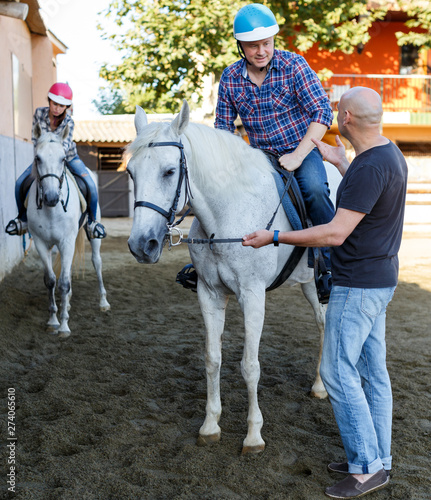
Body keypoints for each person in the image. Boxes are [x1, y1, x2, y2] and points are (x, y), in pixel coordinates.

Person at [242, 86, 408, 499]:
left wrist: (275, 236)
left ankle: (366, 468)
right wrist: (342, 162)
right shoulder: (387, 154)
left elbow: (335, 233)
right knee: (372, 373)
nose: (334, 116)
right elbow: (367, 194)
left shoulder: (369, 168)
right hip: (381, 279)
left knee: (337, 372)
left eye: (337, 111)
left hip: (356, 285)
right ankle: (377, 458)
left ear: (347, 119)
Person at [215, 3, 335, 272]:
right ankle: (210, 258)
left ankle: (330, 265)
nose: (261, 51)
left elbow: (322, 111)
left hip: (300, 149)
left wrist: (298, 155)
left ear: (273, 41)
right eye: (253, 45)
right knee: (223, 194)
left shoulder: (294, 65)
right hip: (258, 156)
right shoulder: (230, 77)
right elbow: (223, 128)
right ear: (240, 46)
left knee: (315, 191)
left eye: (266, 44)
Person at [6, 82, 106, 239]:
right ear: (49, 101)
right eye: (55, 104)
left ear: (66, 107)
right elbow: (35, 138)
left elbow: (64, 146)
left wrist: (54, 154)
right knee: (19, 183)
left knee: (91, 186)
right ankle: (22, 219)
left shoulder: (69, 122)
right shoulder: (39, 113)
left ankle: (92, 223)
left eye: (62, 106)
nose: (57, 108)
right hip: (44, 158)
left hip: (68, 157)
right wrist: (44, 156)